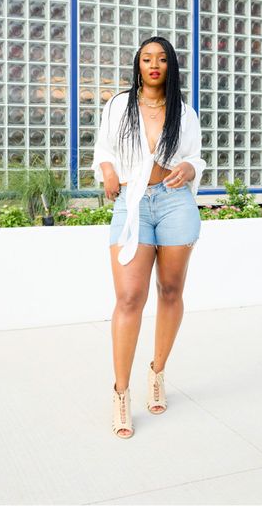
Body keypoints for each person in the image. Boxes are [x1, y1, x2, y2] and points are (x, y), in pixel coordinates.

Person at [91, 36, 206, 438]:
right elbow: (103, 148)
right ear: (137, 65)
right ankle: (121, 392)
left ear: (170, 66)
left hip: (175, 204)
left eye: (161, 59)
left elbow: (195, 156)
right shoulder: (119, 105)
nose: (153, 65)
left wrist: (190, 169)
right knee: (129, 297)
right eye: (146, 59)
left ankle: (157, 372)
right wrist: (107, 171)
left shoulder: (184, 112)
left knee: (171, 291)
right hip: (132, 204)